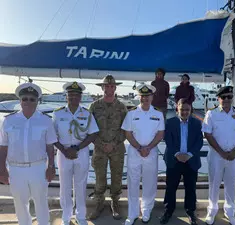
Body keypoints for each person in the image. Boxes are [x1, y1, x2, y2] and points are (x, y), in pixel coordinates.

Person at [0, 83, 57, 225]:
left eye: (32, 99)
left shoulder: (45, 120)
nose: (28, 102)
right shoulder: (8, 120)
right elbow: (3, 147)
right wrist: (2, 169)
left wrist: (51, 166)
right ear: (20, 100)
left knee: (41, 201)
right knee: (19, 202)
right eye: (24, 99)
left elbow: (50, 147)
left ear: (37, 101)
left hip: (38, 167)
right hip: (15, 168)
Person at [53, 81, 99, 225]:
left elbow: (93, 134)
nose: (73, 98)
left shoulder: (87, 113)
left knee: (81, 186)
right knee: (64, 187)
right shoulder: (57, 113)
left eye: (76, 95)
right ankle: (66, 217)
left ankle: (80, 216)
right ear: (66, 97)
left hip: (81, 153)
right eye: (70, 95)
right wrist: (64, 150)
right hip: (63, 153)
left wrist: (77, 149)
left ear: (80, 97)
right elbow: (52, 136)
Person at [202, 86, 235, 225]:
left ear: (232, 98)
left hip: (233, 155)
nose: (226, 100)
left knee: (230, 185)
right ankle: (212, 211)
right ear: (218, 98)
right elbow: (207, 134)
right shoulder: (211, 114)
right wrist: (221, 152)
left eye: (229, 97)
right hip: (216, 155)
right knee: (214, 184)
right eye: (224, 97)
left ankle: (230, 212)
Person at [121, 84, 165, 225]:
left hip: (151, 153)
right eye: (143, 96)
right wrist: (140, 148)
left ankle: (146, 210)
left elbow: (160, 134)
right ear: (139, 97)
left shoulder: (158, 114)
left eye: (148, 96)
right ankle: (132, 214)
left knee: (150, 183)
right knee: (132, 183)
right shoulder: (131, 113)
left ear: (152, 97)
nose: (145, 98)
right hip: (135, 152)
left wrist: (149, 147)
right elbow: (127, 133)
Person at [88, 75, 128, 220]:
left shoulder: (122, 107)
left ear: (115, 88)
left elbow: (126, 129)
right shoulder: (94, 106)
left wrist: (114, 144)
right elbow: (89, 129)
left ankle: (115, 204)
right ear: (102, 87)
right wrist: (101, 144)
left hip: (117, 149)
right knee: (100, 178)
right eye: (106, 86)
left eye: (112, 86)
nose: (109, 88)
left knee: (117, 177)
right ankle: (98, 204)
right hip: (99, 149)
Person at [160, 98, 203, 225]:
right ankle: (168, 211)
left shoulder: (196, 123)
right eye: (182, 109)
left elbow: (199, 141)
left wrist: (189, 154)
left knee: (191, 188)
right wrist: (177, 154)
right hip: (174, 160)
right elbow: (168, 140)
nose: (184, 112)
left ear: (191, 110)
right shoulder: (170, 122)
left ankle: (190, 211)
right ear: (177, 109)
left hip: (191, 160)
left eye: (187, 110)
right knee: (171, 187)